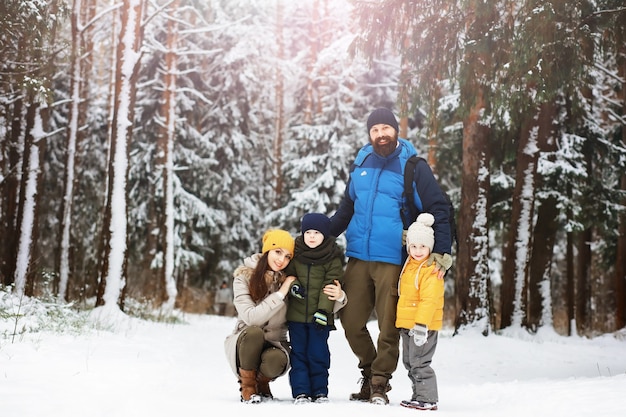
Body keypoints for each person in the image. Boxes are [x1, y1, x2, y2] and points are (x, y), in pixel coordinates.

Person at [329, 107, 453, 405]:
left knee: (389, 324)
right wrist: (318, 236)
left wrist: (441, 252)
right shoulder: (362, 162)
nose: (380, 134)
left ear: (395, 131)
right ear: (369, 134)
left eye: (385, 128)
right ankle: (370, 369)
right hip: (359, 255)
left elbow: (439, 207)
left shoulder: (413, 166)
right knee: (350, 319)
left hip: (395, 258)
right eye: (374, 130)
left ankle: (380, 383)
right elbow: (347, 208)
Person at [223, 229, 296, 404]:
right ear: (266, 251)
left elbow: (313, 303)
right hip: (246, 342)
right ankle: (248, 386)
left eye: (287, 257)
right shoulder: (244, 277)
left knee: (276, 359)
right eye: (278, 252)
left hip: (274, 343)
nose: (281, 260)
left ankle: (262, 383)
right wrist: (281, 293)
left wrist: (340, 297)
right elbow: (251, 318)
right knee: (254, 331)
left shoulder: (288, 279)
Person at [284, 213, 347, 404]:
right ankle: (301, 392)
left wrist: (323, 311)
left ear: (325, 235)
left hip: (320, 318)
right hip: (296, 317)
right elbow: (289, 275)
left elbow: (330, 285)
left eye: (317, 233)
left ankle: (320, 391)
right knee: (299, 354)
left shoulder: (332, 258)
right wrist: (293, 285)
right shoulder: (296, 254)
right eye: (308, 232)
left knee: (317, 353)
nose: (311, 236)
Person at [396, 213, 444, 411]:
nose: (417, 251)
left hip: (423, 326)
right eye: (413, 246)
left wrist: (422, 325)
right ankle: (418, 395)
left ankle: (428, 398)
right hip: (408, 324)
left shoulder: (430, 270)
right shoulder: (409, 265)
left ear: (430, 248)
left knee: (420, 362)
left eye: (422, 247)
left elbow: (429, 300)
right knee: (410, 361)